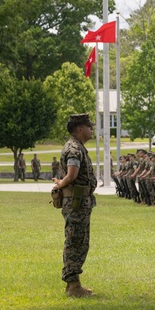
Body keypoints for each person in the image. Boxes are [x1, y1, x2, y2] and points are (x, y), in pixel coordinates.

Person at [54, 113, 97, 298]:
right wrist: (60, 184)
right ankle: (73, 285)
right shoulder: (74, 149)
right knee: (75, 241)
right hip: (76, 203)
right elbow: (72, 175)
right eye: (89, 126)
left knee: (79, 241)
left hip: (80, 202)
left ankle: (74, 283)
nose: (91, 129)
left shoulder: (77, 147)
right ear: (80, 128)